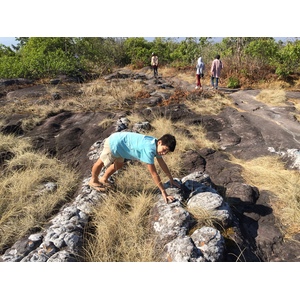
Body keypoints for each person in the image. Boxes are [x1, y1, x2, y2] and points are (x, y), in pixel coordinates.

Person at [88, 131, 181, 203]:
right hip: (114, 144)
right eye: (164, 150)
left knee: (119, 164)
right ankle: (93, 180)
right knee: (100, 163)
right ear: (160, 142)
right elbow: (154, 173)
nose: (164, 153)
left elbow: (162, 164)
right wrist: (164, 192)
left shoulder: (155, 144)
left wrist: (171, 179)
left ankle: (104, 179)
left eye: (166, 152)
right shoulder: (149, 149)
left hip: (121, 146)